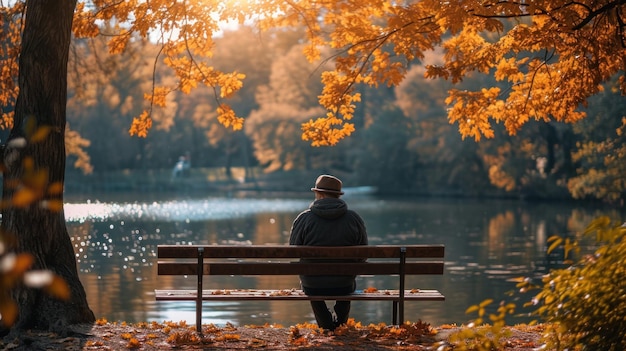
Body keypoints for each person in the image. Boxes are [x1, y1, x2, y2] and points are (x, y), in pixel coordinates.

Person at [289, 174, 368, 330]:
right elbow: (363, 255)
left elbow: (293, 252)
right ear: (338, 195)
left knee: (310, 279)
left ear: (319, 193)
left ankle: (325, 322)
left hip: (313, 285)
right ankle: (341, 323)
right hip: (344, 284)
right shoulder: (353, 219)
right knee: (346, 276)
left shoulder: (305, 219)